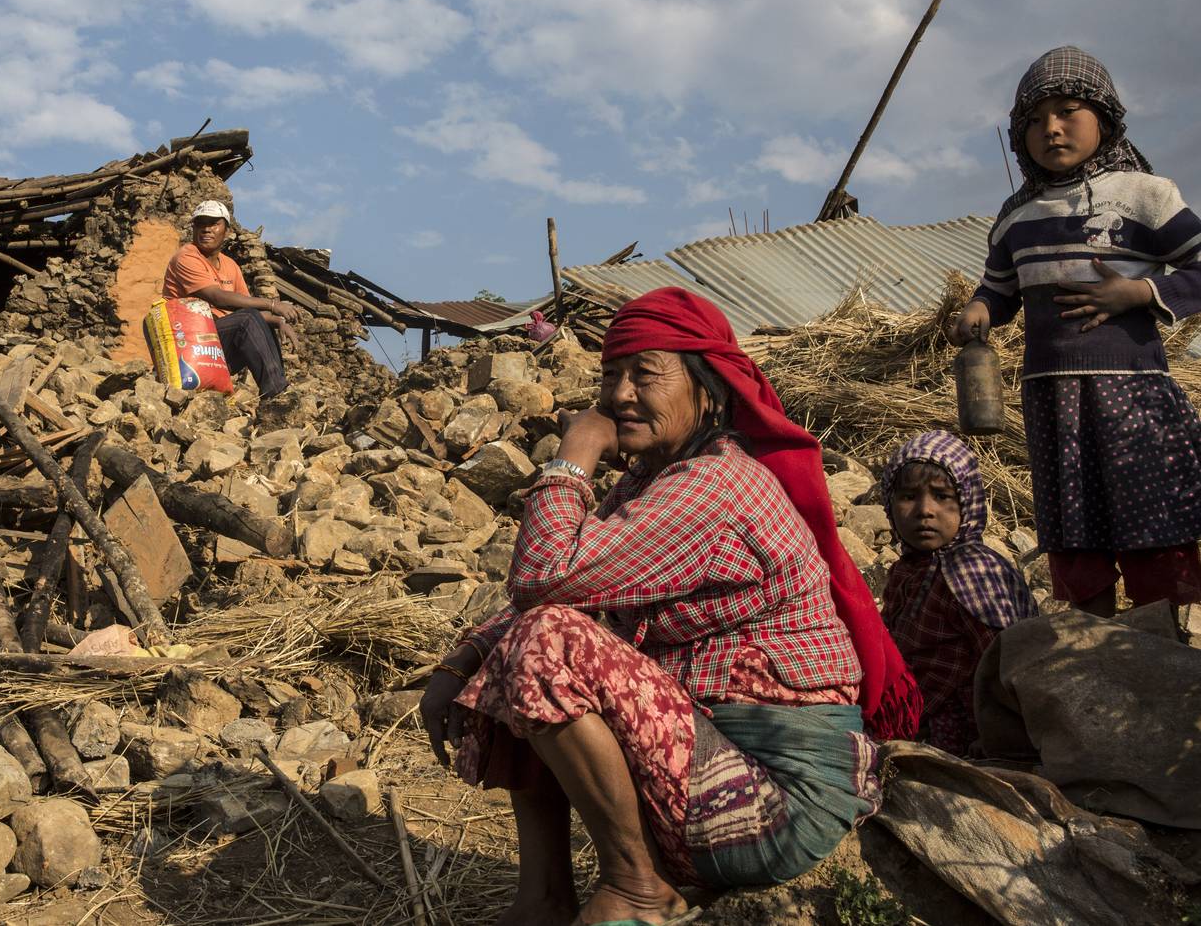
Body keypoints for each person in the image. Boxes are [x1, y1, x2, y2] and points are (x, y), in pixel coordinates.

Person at [420, 288, 918, 926]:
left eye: (644, 374)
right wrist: (459, 663)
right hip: (711, 763)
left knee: (548, 644)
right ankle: (544, 896)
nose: (620, 394)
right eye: (610, 376)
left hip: (777, 804)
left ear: (707, 390)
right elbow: (574, 591)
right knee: (518, 655)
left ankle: (636, 888)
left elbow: (541, 582)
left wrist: (576, 451)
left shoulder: (713, 486)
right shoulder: (656, 481)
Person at [953, 46, 1201, 617]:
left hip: (1132, 394)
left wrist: (1139, 292)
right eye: (1034, 120)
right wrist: (978, 309)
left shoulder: (1147, 195)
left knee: (1150, 521)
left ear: (1106, 118)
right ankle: (1092, 652)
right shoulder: (1017, 215)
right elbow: (1000, 291)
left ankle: (1163, 653)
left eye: (1068, 111)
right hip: (1052, 398)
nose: (1051, 129)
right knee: (1072, 526)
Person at [879, 431, 1036, 758]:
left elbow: (1004, 662)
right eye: (908, 496)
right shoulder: (908, 568)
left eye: (941, 496)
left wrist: (996, 733)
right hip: (918, 708)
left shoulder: (973, 575)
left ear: (967, 502)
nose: (925, 510)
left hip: (964, 723)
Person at [161, 200, 301, 399]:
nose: (206, 229)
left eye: (214, 224)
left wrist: (279, 321)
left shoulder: (230, 265)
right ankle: (277, 396)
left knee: (259, 322)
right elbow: (218, 298)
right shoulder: (186, 257)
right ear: (193, 229)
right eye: (201, 224)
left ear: (226, 230)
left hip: (214, 347)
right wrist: (272, 304)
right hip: (188, 347)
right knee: (248, 319)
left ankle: (276, 390)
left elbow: (245, 309)